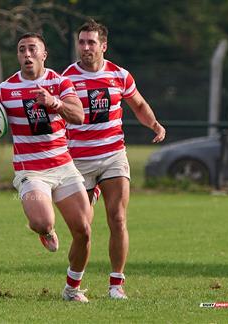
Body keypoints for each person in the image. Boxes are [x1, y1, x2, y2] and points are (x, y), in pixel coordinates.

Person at [0, 33, 93, 303]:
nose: (27, 54)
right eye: (21, 50)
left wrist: (54, 103)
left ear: (43, 54)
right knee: (41, 221)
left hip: (63, 166)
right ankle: (46, 230)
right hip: (31, 170)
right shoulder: (5, 89)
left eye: (32, 49)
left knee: (83, 231)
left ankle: (72, 289)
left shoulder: (60, 82)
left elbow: (79, 115)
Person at [62, 20, 166, 299]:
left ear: (103, 46)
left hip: (112, 155)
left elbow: (139, 105)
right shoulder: (65, 79)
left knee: (118, 218)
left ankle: (116, 285)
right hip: (79, 161)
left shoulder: (120, 75)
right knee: (82, 229)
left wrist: (155, 125)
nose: (85, 47)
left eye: (91, 42)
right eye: (81, 42)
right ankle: (72, 287)